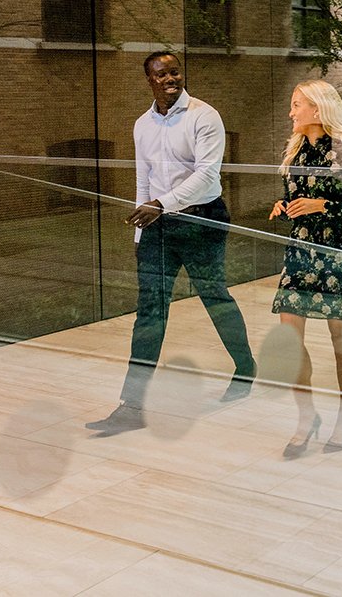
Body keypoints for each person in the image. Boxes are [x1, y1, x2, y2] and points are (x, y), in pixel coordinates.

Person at [86, 51, 256, 436]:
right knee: (149, 311)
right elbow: (143, 180)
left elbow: (207, 176)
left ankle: (245, 367)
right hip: (157, 226)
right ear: (149, 80)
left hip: (202, 219)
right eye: (161, 74)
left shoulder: (204, 116)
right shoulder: (142, 125)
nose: (170, 78)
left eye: (174, 71)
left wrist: (161, 205)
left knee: (213, 296)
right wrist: (139, 230)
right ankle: (132, 406)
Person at [269, 80, 342, 457]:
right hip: (300, 254)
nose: (291, 112)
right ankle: (306, 415)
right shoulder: (295, 151)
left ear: (318, 109)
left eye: (297, 105)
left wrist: (322, 206)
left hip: (340, 254)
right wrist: (285, 206)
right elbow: (295, 196)